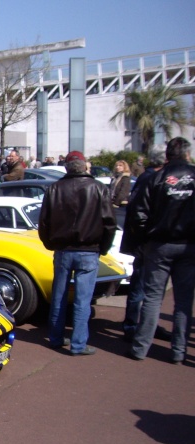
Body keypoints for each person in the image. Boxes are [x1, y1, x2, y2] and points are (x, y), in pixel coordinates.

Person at [38, 150, 117, 356]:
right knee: (83, 299)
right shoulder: (98, 188)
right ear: (85, 166)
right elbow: (109, 223)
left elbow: (44, 222)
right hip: (88, 250)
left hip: (63, 249)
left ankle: (56, 338)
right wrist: (103, 248)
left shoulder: (54, 189)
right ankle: (78, 344)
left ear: (66, 167)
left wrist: (50, 243)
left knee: (59, 295)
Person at [127, 137, 195, 365]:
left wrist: (146, 238)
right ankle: (178, 351)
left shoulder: (156, 178)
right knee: (183, 301)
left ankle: (140, 348)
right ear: (186, 154)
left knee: (153, 297)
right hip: (187, 245)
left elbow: (139, 213)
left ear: (167, 155)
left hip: (160, 244)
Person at [119, 149, 167, 342]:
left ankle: (148, 324)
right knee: (140, 287)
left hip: (149, 241)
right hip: (145, 243)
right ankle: (131, 325)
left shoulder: (153, 178)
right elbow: (137, 213)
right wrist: (145, 239)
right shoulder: (149, 179)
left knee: (151, 289)